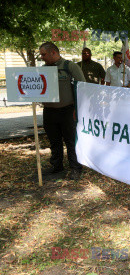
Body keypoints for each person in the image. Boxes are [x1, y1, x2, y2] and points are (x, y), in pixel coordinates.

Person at [39, 42, 86, 180]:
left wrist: (78, 109)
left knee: (71, 141)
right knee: (54, 141)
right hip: (49, 111)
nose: (42, 57)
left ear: (53, 52)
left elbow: (82, 87)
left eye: (43, 54)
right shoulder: (43, 69)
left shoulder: (69, 66)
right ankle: (56, 166)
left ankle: (75, 168)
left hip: (67, 111)